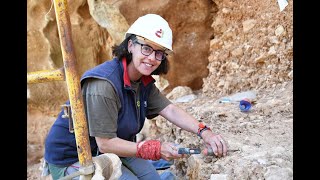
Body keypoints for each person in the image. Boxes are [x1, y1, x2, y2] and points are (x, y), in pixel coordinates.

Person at [43, 14, 228, 180]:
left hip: (112, 150)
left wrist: (205, 132)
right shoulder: (104, 84)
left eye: (159, 53)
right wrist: (153, 149)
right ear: (130, 45)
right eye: (146, 48)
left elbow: (169, 109)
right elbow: (105, 144)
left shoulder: (142, 82)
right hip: (74, 158)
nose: (152, 58)